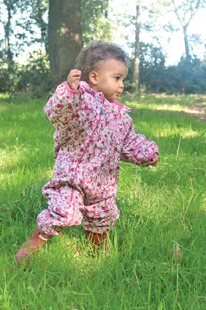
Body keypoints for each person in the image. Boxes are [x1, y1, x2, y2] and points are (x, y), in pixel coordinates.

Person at [15, 41, 159, 265]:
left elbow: (129, 141)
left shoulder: (121, 117)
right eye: (117, 78)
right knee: (64, 211)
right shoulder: (80, 103)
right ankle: (34, 243)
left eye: (123, 79)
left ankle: (96, 258)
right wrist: (69, 92)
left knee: (102, 218)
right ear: (94, 77)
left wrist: (146, 152)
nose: (122, 85)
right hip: (72, 177)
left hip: (102, 182)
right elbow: (58, 112)